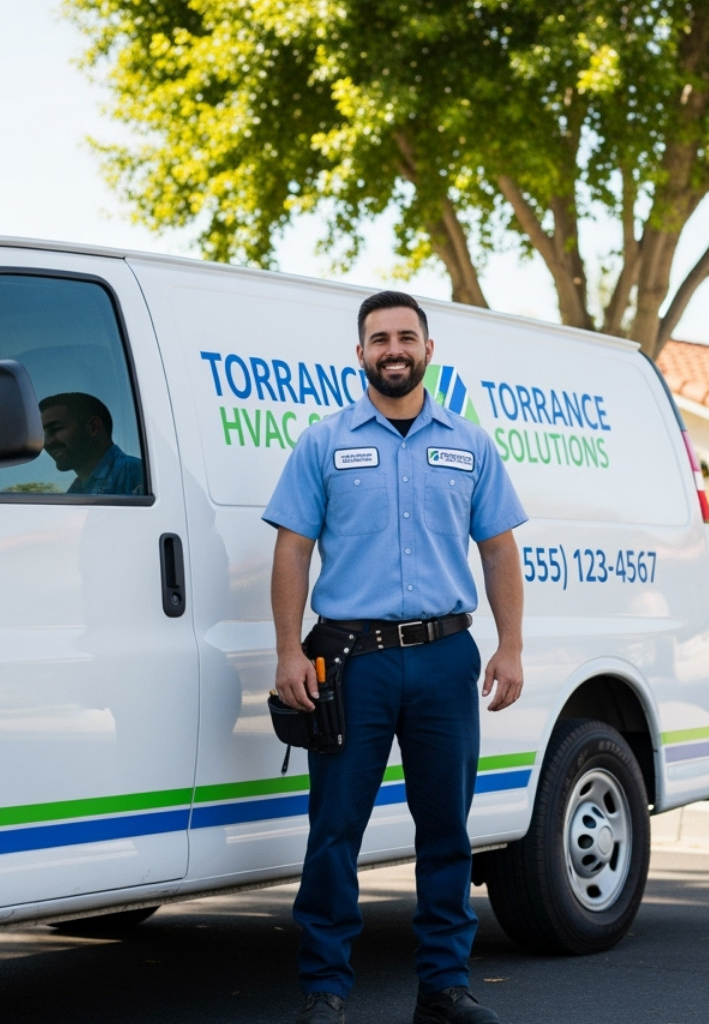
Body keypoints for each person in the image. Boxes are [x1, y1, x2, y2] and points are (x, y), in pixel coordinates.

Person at [264, 291, 527, 1024]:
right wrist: (289, 652)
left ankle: (444, 987)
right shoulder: (323, 442)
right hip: (351, 664)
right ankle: (326, 989)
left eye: (406, 336)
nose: (393, 349)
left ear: (428, 350)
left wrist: (510, 645)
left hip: (447, 658)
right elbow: (292, 549)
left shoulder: (470, 444)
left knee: (446, 828)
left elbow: (499, 548)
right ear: (360, 355)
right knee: (335, 831)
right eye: (378, 338)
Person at [38, 392, 145, 495]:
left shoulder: (137, 474)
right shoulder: (75, 491)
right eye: (43, 434)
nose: (47, 442)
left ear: (93, 427)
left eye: (55, 429)